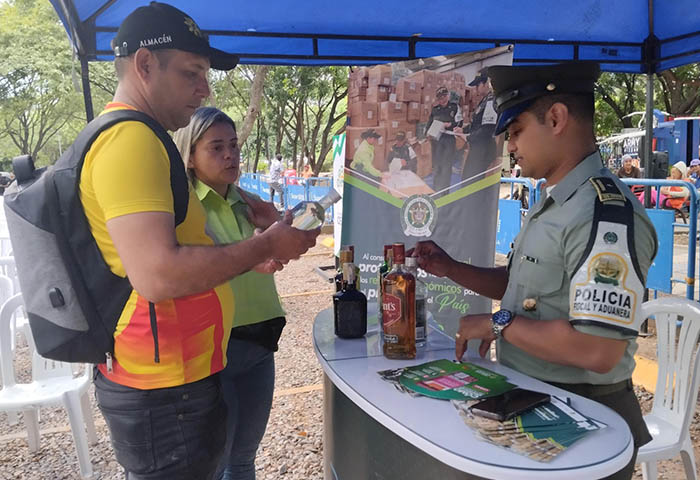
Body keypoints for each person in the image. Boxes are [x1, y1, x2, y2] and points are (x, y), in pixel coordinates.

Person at [85, 3, 319, 479]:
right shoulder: (130, 140)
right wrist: (268, 245)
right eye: (192, 72)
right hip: (160, 385)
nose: (205, 88)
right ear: (145, 66)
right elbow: (158, 274)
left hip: (178, 377)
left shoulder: (144, 139)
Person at [411, 62, 656, 480]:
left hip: (585, 419)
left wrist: (498, 323)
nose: (510, 146)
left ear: (556, 118)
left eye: (517, 130)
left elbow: (599, 350)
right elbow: (520, 288)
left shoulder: (603, 214)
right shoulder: (555, 202)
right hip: (537, 404)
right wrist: (450, 268)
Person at [174, 107, 286, 480]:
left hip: (261, 341)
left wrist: (276, 221)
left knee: (243, 457)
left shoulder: (248, 201)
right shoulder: (184, 209)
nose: (230, 156)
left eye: (235, 146)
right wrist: (251, 258)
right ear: (190, 156)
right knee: (218, 461)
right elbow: (191, 269)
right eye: (217, 147)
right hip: (214, 347)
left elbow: (293, 244)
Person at [460, 69, 498, 181]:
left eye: (478, 85)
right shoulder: (484, 101)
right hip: (477, 148)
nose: (475, 88)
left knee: (472, 182)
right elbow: (476, 124)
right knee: (467, 179)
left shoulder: (491, 101)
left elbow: (486, 130)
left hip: (483, 151)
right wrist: (463, 130)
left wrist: (467, 137)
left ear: (486, 84)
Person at [428, 86, 462, 193]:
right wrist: (427, 133)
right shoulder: (435, 109)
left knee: (446, 166)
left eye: (444, 96)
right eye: (439, 98)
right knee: (437, 165)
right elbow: (429, 123)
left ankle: (444, 191)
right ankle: (436, 188)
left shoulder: (454, 107)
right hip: (437, 140)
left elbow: (459, 122)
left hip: (448, 139)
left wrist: (450, 124)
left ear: (447, 96)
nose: (442, 99)